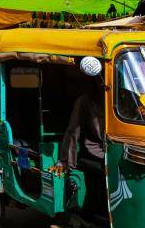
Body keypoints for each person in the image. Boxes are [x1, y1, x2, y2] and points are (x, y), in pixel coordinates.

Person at [48, 76, 106, 214]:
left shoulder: (126, 96)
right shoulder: (84, 101)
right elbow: (73, 131)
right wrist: (65, 161)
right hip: (97, 151)